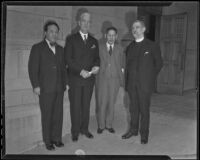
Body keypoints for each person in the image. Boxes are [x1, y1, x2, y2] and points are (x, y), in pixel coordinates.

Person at [28, 20, 68, 150]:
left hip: (59, 88)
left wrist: (66, 83)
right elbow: (32, 68)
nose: (54, 34)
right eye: (51, 31)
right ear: (45, 33)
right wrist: (36, 85)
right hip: (45, 88)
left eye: (56, 32)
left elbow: (63, 69)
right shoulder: (37, 48)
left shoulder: (61, 50)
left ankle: (57, 139)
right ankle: (48, 141)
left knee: (58, 114)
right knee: (47, 115)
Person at [122, 20, 163, 144]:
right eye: (133, 28)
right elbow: (127, 66)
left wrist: (149, 78)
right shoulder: (130, 47)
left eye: (137, 27)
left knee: (144, 110)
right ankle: (133, 130)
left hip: (145, 85)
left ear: (144, 29)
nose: (135, 30)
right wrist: (127, 83)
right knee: (133, 109)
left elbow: (159, 64)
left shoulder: (152, 45)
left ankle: (144, 134)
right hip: (131, 85)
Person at [65, 11, 100, 142]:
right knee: (75, 106)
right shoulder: (71, 39)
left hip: (89, 80)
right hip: (75, 79)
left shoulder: (94, 41)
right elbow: (68, 59)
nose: (86, 24)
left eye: (88, 21)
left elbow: (97, 58)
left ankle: (84, 129)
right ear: (79, 22)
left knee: (86, 106)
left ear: (90, 24)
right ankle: (75, 131)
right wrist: (80, 71)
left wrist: (97, 66)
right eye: (84, 21)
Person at [95, 27, 125, 134]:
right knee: (102, 102)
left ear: (116, 36)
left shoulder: (120, 49)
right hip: (102, 78)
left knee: (111, 102)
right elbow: (95, 61)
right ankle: (101, 125)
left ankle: (109, 124)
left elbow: (122, 65)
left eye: (113, 35)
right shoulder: (99, 47)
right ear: (105, 36)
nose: (111, 37)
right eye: (109, 35)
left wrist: (122, 79)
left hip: (114, 79)